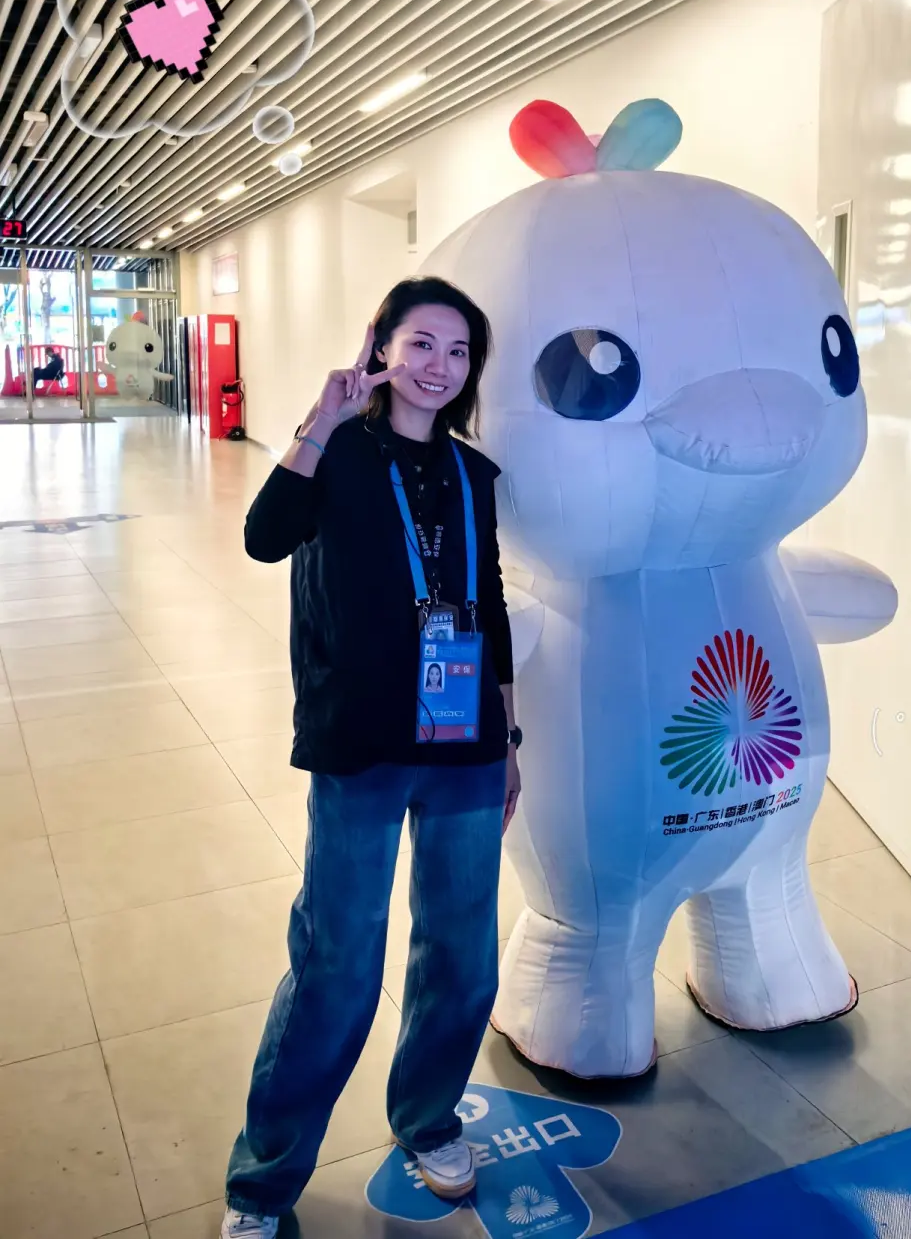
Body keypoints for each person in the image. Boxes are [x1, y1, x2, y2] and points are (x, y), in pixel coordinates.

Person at [220, 277, 522, 1239]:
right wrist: (319, 419)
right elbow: (263, 537)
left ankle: (428, 1119)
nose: (439, 366)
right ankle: (262, 1181)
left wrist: (509, 736)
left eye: (458, 351)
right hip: (359, 740)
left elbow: (492, 606)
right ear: (380, 346)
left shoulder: (473, 473)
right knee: (337, 964)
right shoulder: (340, 453)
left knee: (462, 956)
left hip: (464, 740)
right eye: (421, 343)